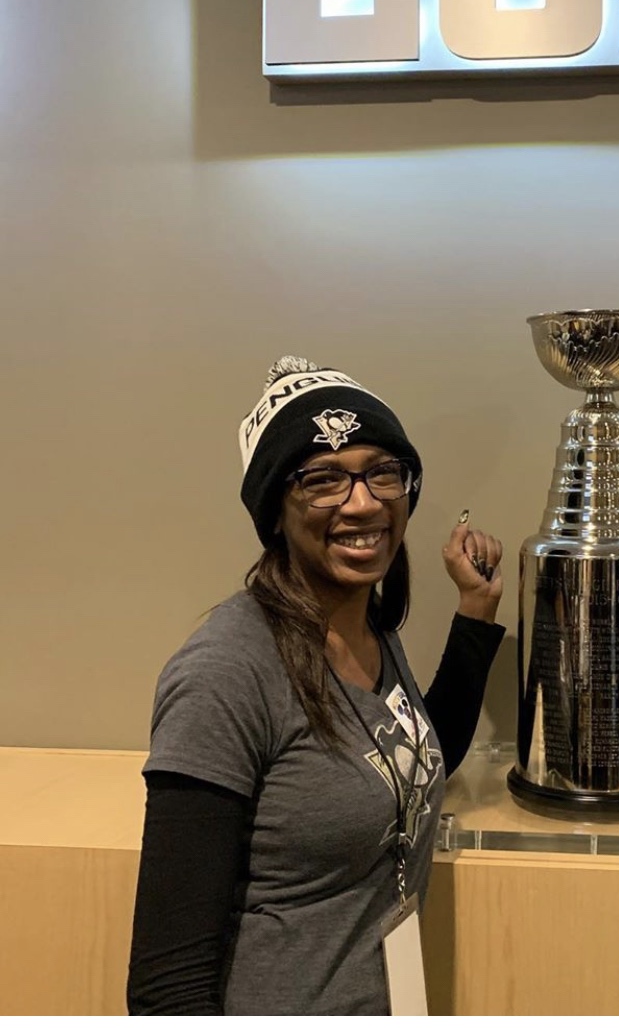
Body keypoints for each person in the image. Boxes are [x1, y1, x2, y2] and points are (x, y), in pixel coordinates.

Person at [126, 356, 504, 1015]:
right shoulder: (223, 675)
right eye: (322, 480)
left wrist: (474, 615)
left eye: (382, 472)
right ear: (274, 509)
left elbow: (415, 758)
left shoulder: (366, 627)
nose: (363, 502)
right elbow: (166, 987)